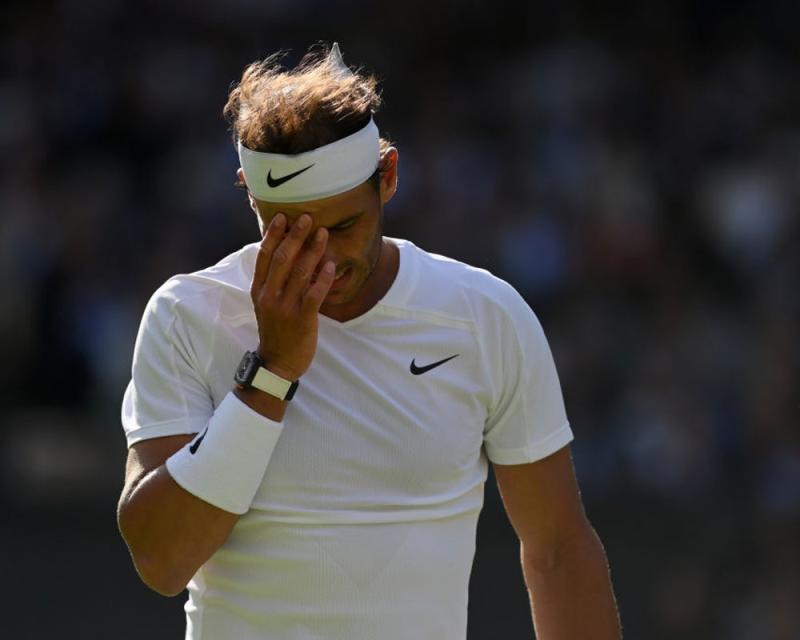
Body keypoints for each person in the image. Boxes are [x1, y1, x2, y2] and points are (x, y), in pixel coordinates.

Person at [117, 43, 621, 639]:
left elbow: (558, 549)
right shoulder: (186, 315)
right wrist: (272, 372)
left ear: (388, 176)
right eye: (288, 232)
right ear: (250, 198)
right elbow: (162, 562)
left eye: (342, 227)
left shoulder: (484, 316)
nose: (322, 261)